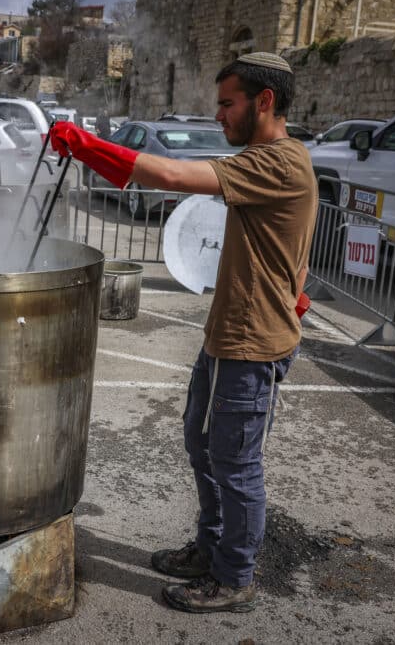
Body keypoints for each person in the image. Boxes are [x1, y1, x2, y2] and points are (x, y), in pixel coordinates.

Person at [50, 52, 316, 614]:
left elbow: (171, 175)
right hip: (229, 337)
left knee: (237, 464)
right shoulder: (264, 159)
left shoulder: (280, 163)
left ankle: (234, 577)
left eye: (227, 104)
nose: (218, 116)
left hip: (251, 345)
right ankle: (211, 547)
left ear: (263, 101)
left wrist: (89, 147)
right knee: (203, 446)